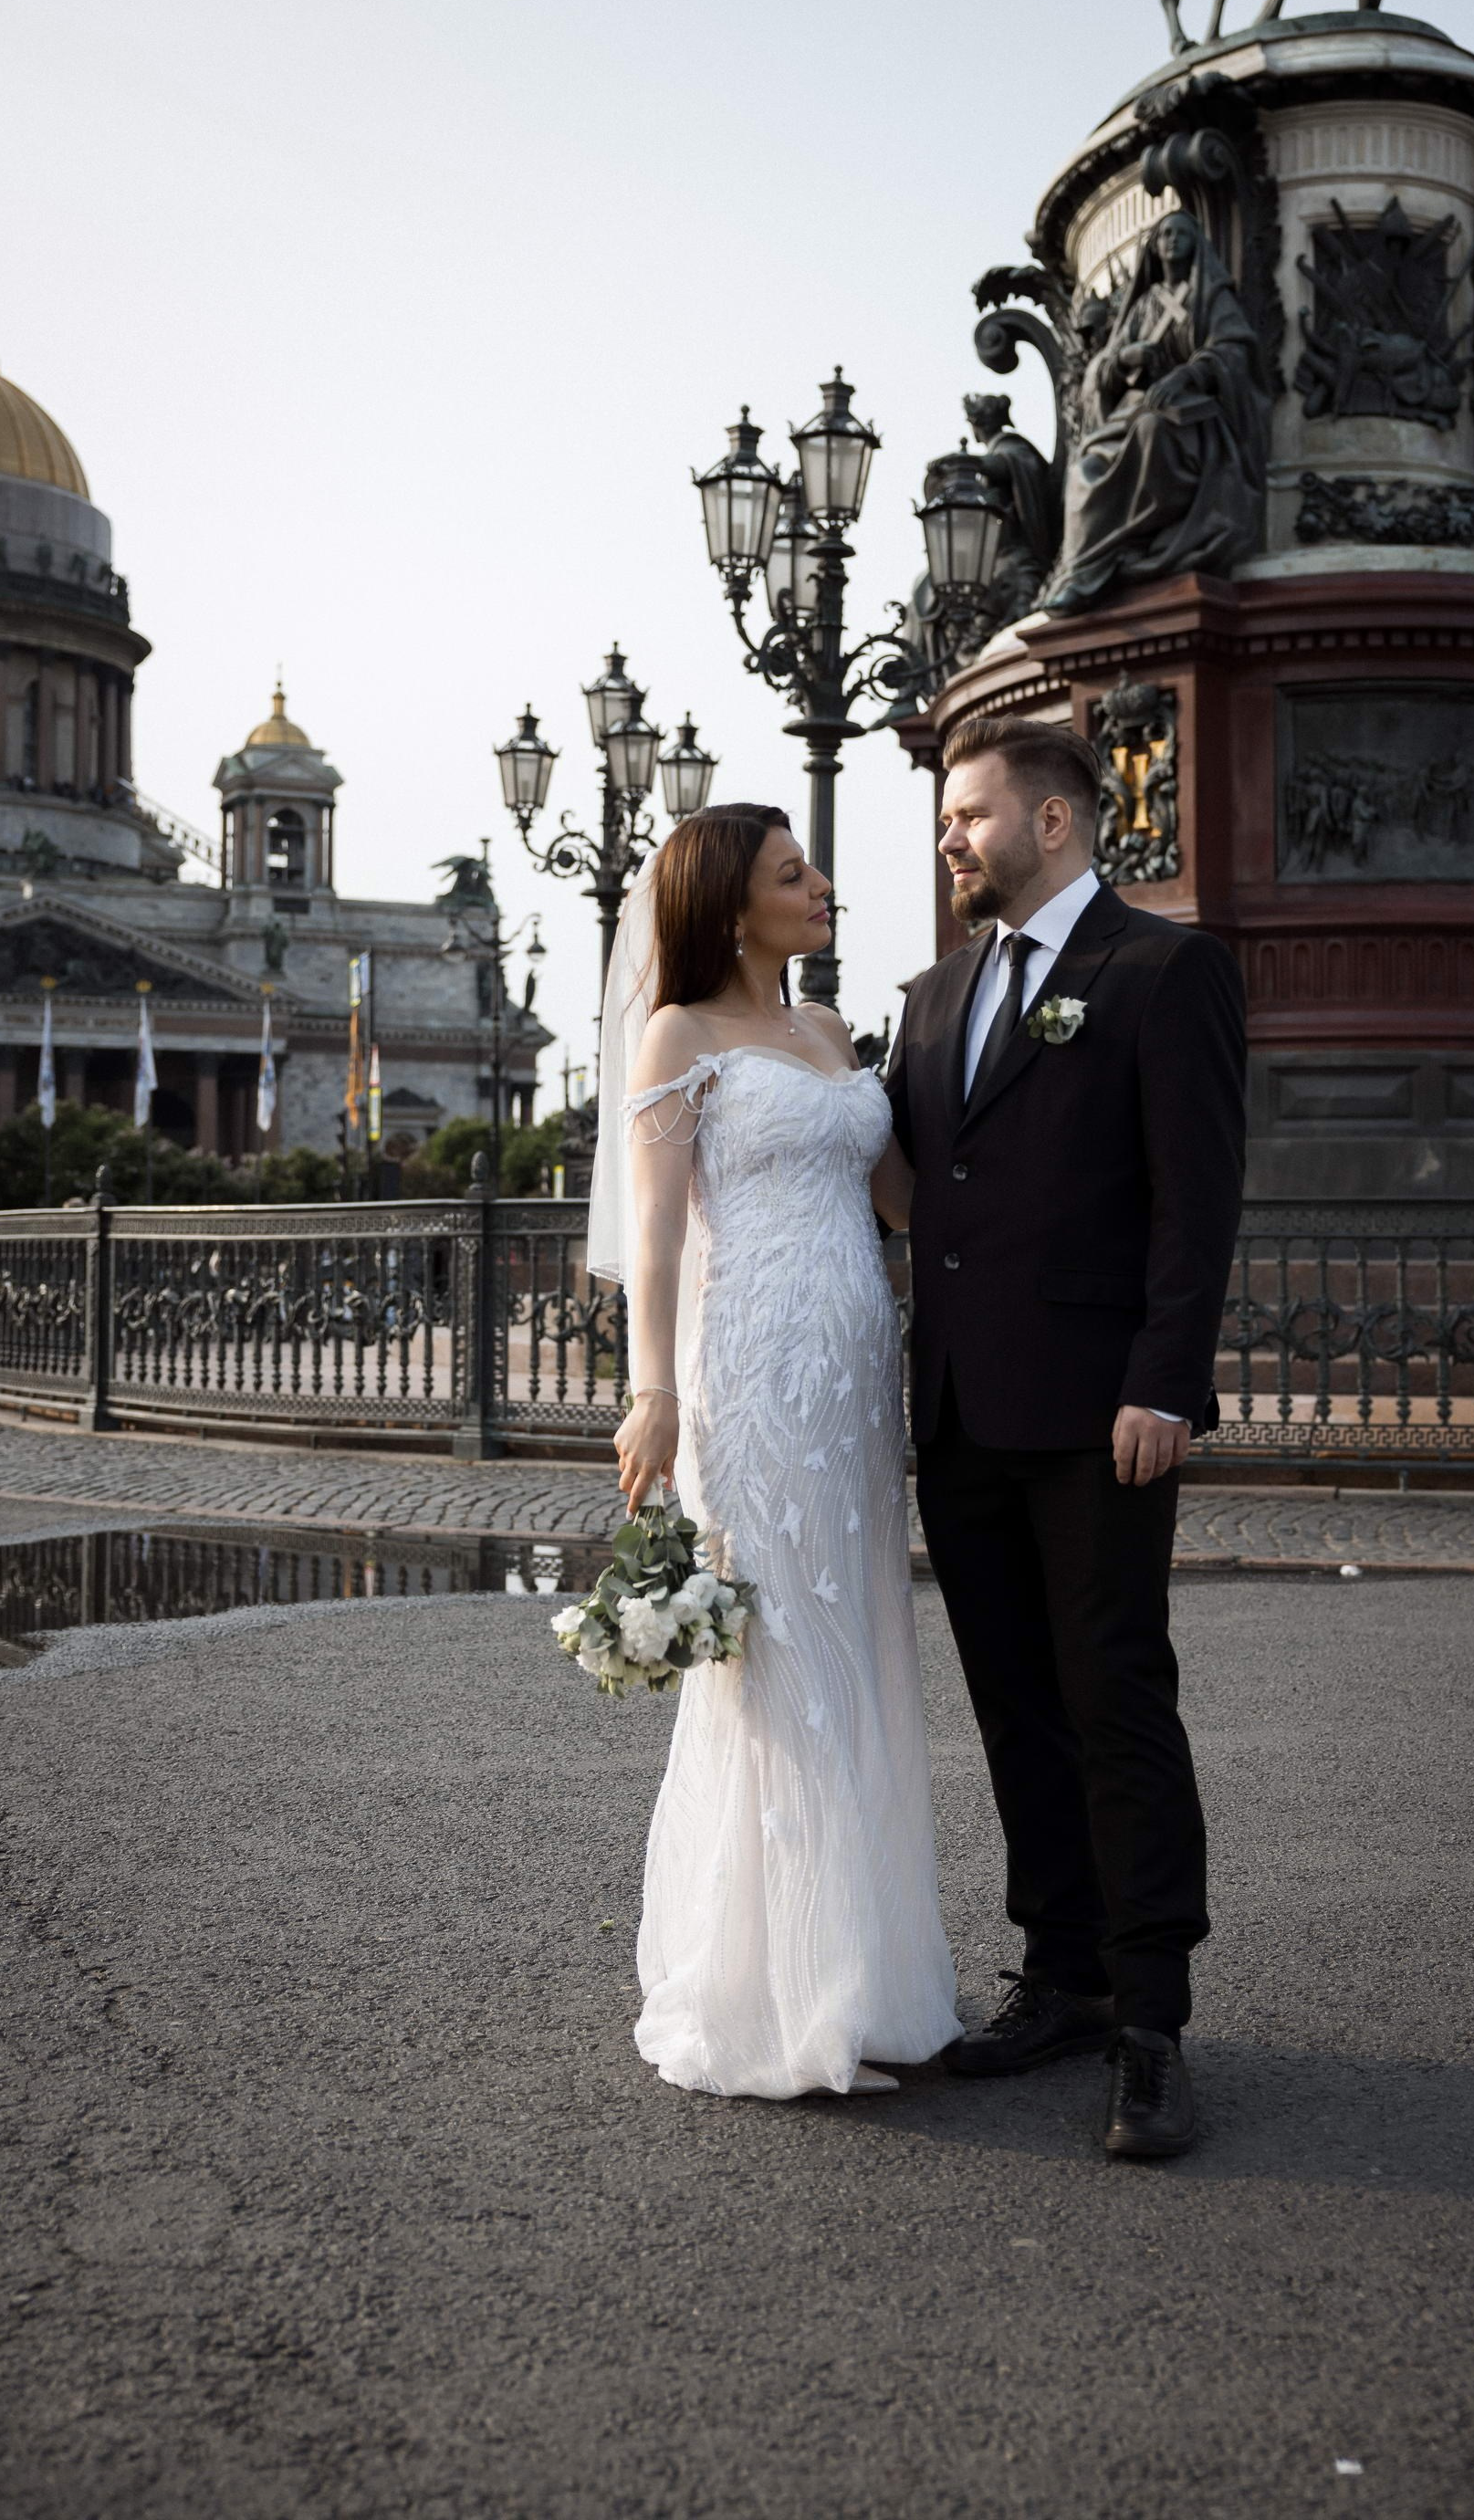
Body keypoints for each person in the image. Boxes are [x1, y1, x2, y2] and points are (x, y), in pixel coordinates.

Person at [885, 717, 1246, 2159]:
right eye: (944, 818)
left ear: (1053, 820)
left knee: (1114, 1694)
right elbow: (922, 1189)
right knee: (1015, 1704)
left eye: (968, 815)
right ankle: (1063, 1974)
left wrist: (1166, 1379)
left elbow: (1196, 1197)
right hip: (964, 1407)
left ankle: (1151, 2017)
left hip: (1104, 1413)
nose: (948, 838)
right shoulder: (932, 994)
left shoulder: (1165, 969)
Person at [598, 805, 961, 2101]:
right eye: (790, 872)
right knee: (777, 1659)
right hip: (748, 1373)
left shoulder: (831, 1032)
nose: (821, 885)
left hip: (858, 1377)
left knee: (858, 1638)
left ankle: (866, 1978)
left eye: (810, 868)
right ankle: (776, 1992)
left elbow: (908, 1203)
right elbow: (651, 1239)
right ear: (728, 904)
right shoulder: (679, 1035)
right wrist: (654, 1393)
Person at [1040, 212, 1268, 612]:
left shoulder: (1209, 296)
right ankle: (1088, 568)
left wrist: (1186, 376)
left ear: (1196, 243)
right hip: (1132, 410)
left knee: (1152, 432)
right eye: (1164, 234)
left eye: (1181, 233)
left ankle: (1138, 547)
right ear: (1153, 245)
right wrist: (1125, 356)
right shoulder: (1144, 304)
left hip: (1189, 412)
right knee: (1084, 468)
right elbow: (1101, 368)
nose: (1171, 241)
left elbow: (1232, 349)